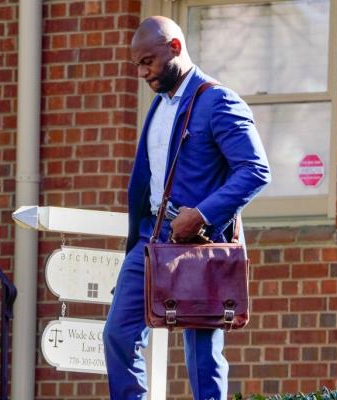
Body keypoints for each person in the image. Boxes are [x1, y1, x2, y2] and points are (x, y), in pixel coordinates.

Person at [102, 16, 271, 399]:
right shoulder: (159, 106)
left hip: (199, 242)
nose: (143, 72)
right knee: (118, 334)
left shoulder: (218, 100)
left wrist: (203, 214)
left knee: (202, 353)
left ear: (174, 48)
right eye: (137, 65)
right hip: (150, 239)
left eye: (148, 61)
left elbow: (255, 170)